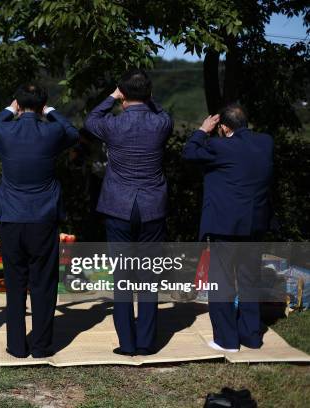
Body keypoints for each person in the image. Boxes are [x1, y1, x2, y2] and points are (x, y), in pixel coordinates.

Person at [0, 84, 79, 358]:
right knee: (43, 284)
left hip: (11, 217)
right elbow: (72, 132)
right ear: (42, 105)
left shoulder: (4, 130)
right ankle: (41, 345)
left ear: (18, 104)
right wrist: (50, 111)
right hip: (43, 217)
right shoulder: (52, 131)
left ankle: (16, 345)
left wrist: (7, 111)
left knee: (14, 283)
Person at [84, 69, 173, 356]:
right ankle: (147, 341)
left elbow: (90, 120)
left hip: (118, 205)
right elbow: (161, 111)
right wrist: (146, 97)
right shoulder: (161, 123)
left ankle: (127, 342)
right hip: (151, 206)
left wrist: (113, 95)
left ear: (122, 96)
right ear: (148, 95)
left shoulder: (112, 124)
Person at [182, 104, 273, 352]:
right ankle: (251, 336)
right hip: (255, 224)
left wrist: (202, 130)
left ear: (223, 127)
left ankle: (226, 339)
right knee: (249, 279)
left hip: (226, 226)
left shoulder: (219, 146)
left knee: (221, 280)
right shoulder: (266, 143)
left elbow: (189, 153)